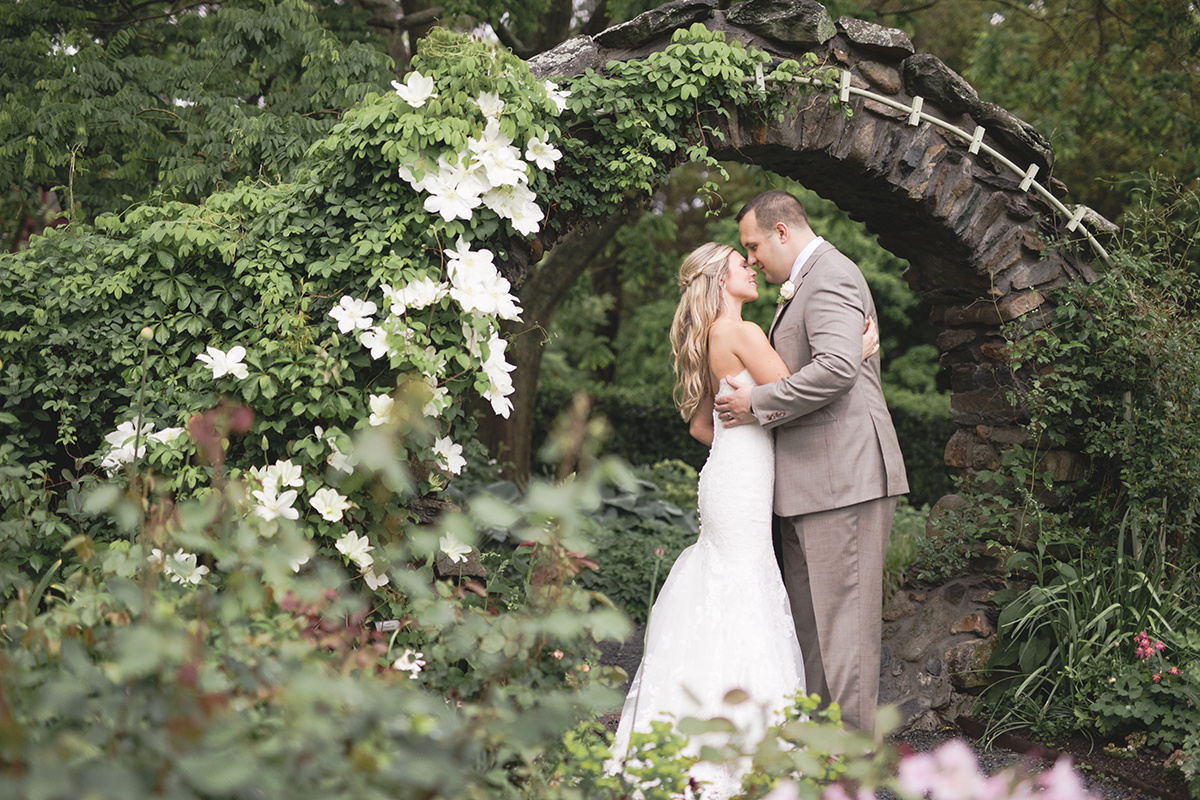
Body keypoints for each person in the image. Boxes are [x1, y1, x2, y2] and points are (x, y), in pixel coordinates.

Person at [608, 242, 879, 798]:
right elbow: (798, 393)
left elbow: (701, 428)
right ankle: (747, 748)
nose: (752, 267)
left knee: (723, 583)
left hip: (725, 473)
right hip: (745, 479)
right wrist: (857, 350)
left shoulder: (710, 335)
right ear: (719, 279)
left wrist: (742, 436)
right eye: (741, 262)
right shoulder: (746, 332)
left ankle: (695, 735)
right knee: (746, 588)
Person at [713, 190, 908, 735]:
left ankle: (851, 761)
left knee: (844, 635)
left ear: (781, 231)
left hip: (844, 478)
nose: (751, 259)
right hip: (808, 482)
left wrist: (756, 403)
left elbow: (837, 369)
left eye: (754, 246)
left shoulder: (831, 276)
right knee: (813, 634)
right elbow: (835, 363)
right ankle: (821, 753)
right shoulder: (803, 283)